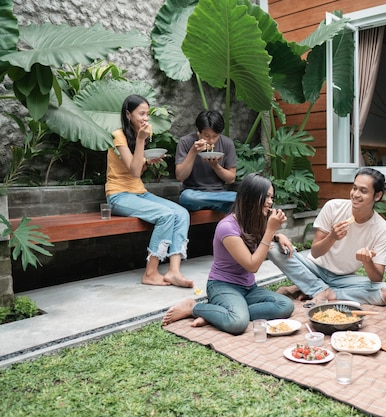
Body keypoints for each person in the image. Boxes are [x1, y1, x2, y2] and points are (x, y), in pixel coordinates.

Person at [161, 173, 295, 334]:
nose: (270, 202)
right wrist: (271, 230)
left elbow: (261, 239)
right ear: (250, 197)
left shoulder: (256, 221)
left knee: (285, 306)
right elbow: (252, 265)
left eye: (271, 197)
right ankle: (194, 307)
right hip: (222, 285)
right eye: (266, 197)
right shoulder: (227, 227)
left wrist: (278, 235)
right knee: (238, 323)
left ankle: (220, 313)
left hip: (249, 288)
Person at [268, 167, 386, 305]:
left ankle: (319, 290)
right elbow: (315, 252)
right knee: (272, 248)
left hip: (344, 279)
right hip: (314, 268)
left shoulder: (381, 228)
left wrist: (367, 261)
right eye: (354, 188)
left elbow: (377, 278)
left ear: (377, 196)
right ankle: (317, 288)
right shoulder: (333, 207)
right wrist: (332, 237)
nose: (355, 194)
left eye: (363, 191)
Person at [106, 94, 193, 288]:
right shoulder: (118, 136)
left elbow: (138, 168)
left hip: (138, 193)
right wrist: (140, 141)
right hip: (118, 195)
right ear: (128, 114)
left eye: (148, 114)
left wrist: (147, 161)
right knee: (166, 215)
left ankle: (174, 271)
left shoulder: (141, 133)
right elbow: (134, 170)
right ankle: (151, 272)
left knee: (181, 213)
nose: (146, 118)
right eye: (141, 114)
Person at [175, 110, 237, 213]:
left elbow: (231, 179)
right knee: (187, 197)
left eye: (215, 136)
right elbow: (180, 176)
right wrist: (193, 151)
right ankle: (213, 202)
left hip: (219, 194)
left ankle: (211, 201)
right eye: (206, 135)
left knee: (240, 197)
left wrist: (216, 166)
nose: (211, 140)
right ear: (198, 132)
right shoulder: (185, 142)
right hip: (194, 195)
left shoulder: (227, 143)